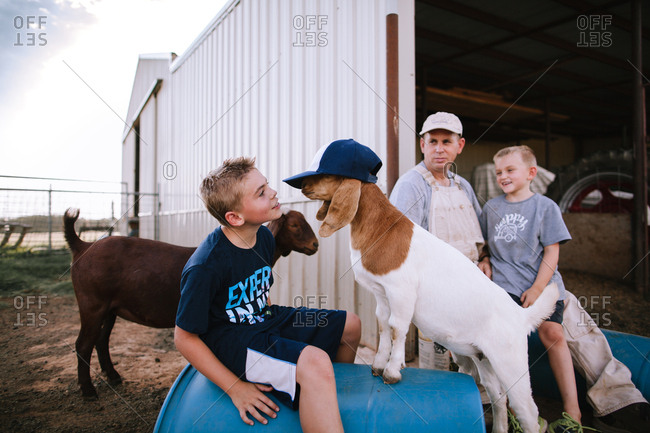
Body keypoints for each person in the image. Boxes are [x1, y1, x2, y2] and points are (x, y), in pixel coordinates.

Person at [390, 112, 649, 433]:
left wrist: (486, 260)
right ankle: (471, 409)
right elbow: (402, 244)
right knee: (456, 352)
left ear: (460, 146)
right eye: (432, 142)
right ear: (422, 145)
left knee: (570, 313)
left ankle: (616, 397)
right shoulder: (411, 185)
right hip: (444, 288)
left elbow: (479, 236)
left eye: (447, 142)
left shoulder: (464, 186)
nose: (439, 149)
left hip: (483, 279)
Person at [174, 157, 361, 433]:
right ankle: (316, 384)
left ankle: (330, 399)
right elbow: (184, 338)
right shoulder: (205, 266)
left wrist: (286, 330)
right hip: (232, 341)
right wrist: (236, 389)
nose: (273, 192)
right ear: (235, 217)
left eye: (267, 185)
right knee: (315, 361)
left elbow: (261, 289)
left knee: (351, 325)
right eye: (261, 192)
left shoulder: (263, 237)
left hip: (266, 319)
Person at [480, 145, 587, 431]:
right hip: (503, 289)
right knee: (504, 343)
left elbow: (552, 252)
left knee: (552, 332)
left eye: (510, 170)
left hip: (541, 285)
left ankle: (572, 414)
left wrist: (539, 288)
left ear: (531, 173)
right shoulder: (491, 207)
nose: (503, 176)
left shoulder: (545, 207)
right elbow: (483, 245)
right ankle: (520, 411)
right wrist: (485, 258)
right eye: (499, 171)